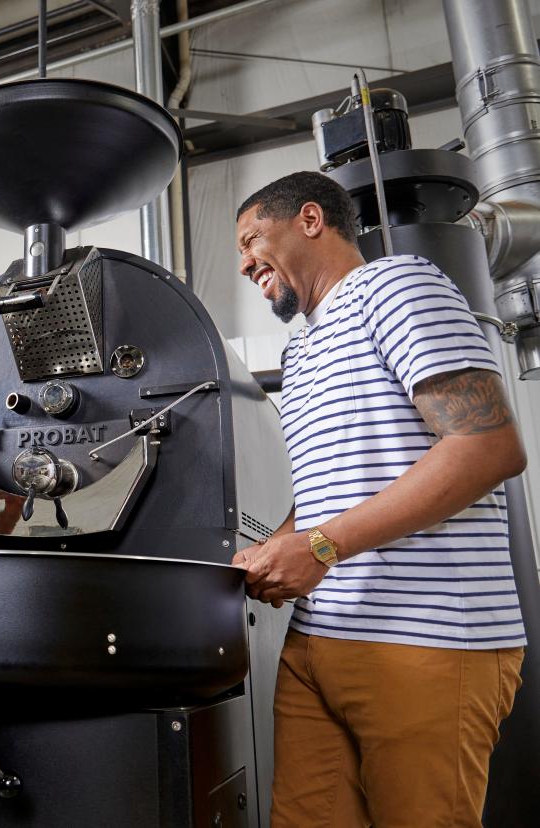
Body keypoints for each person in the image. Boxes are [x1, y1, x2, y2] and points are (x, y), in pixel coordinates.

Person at [232, 171, 527, 827]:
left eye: (253, 240)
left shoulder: (393, 287)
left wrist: (318, 546)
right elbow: (326, 493)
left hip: (425, 638)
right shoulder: (303, 347)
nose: (247, 262)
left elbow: (486, 448)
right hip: (317, 642)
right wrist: (276, 545)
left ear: (310, 219)